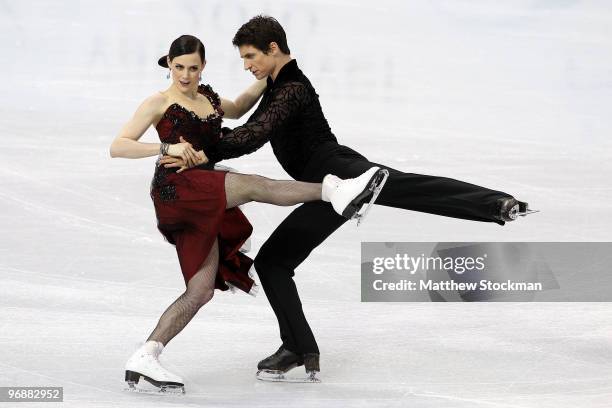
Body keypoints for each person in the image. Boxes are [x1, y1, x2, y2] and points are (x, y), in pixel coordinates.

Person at [161, 17, 535, 383]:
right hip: (319, 184)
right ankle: (298, 347)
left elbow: (252, 136)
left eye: (250, 57)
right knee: (274, 262)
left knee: (407, 188)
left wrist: (197, 149)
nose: (246, 66)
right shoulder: (277, 84)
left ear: (273, 49)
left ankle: (495, 205)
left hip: (335, 169)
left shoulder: (292, 88)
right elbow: (244, 121)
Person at [109, 34, 387, 393]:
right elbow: (118, 146)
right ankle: (337, 190)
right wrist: (166, 145)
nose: (185, 75)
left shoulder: (207, 98)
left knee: (201, 289)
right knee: (254, 184)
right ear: (169, 65)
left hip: (202, 189)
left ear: (203, 66)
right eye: (179, 67)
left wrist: (274, 69)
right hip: (176, 188)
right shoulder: (159, 102)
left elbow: (239, 107)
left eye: (193, 67)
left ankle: (146, 353)